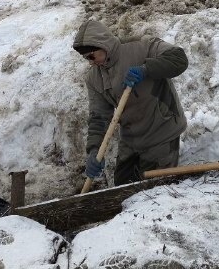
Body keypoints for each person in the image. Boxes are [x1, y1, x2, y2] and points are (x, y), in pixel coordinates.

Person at [73, 19, 189, 186]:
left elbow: (179, 59)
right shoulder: (94, 78)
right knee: (122, 188)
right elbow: (99, 117)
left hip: (161, 133)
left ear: (102, 45)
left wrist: (147, 69)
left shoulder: (141, 47)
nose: (90, 62)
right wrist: (94, 150)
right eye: (86, 58)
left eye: (91, 56)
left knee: (155, 191)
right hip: (131, 139)